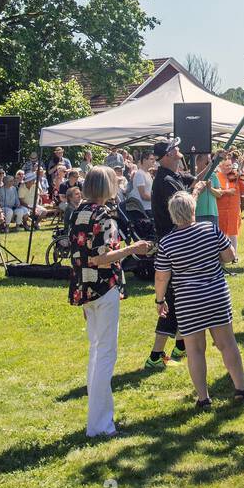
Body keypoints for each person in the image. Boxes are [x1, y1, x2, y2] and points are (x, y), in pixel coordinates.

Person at [68, 166, 151, 437]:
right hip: (104, 287)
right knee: (105, 354)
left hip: (85, 288)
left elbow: (82, 254)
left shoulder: (78, 212)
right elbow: (102, 257)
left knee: (96, 351)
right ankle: (100, 425)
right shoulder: (103, 215)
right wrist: (133, 249)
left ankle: (99, 417)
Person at [153, 191, 244, 410]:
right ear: (193, 210)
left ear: (172, 215)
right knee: (228, 344)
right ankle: (241, 389)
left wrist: (160, 300)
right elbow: (229, 256)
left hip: (188, 300)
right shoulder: (210, 229)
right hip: (216, 294)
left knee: (195, 350)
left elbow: (161, 276)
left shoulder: (167, 243)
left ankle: (203, 398)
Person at [147, 138, 200, 370]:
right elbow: (185, 210)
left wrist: (215, 160)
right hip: (172, 247)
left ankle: (180, 346)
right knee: (170, 302)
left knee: (181, 299)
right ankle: (155, 356)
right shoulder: (165, 182)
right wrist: (196, 192)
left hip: (179, 244)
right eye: (175, 148)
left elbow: (198, 180)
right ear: (167, 155)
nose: (179, 149)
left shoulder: (174, 176)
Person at [194, 151, 221, 225]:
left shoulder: (213, 175)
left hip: (213, 214)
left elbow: (219, 194)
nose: (208, 165)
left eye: (209, 162)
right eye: (207, 163)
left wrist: (210, 188)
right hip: (197, 214)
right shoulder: (192, 176)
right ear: (197, 162)